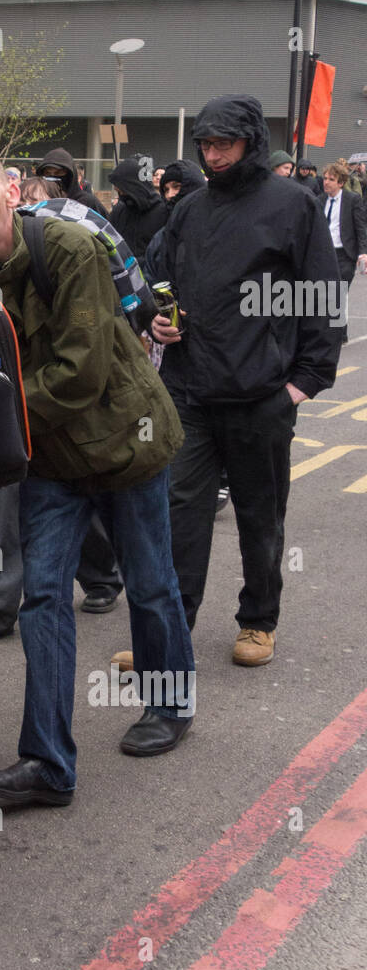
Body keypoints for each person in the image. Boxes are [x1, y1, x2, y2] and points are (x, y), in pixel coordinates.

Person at [0, 149, 195, 808]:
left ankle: (169, 706)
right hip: (51, 458)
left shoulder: (68, 248)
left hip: (123, 445)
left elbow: (81, 373)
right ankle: (49, 763)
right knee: (44, 600)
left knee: (150, 584)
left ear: (13, 192)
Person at [149, 94, 341, 668]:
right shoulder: (189, 208)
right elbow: (161, 279)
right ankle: (171, 634)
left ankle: (258, 621)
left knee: (260, 516)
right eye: (205, 145)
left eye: (223, 143)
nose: (213, 155)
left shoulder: (292, 206)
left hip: (263, 397)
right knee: (181, 517)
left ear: (251, 142)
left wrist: (301, 385)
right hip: (192, 395)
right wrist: (157, 322)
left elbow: (324, 300)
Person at [0, 175, 123, 648]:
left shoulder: (67, 249)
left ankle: (102, 575)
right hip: (15, 404)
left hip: (66, 403)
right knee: (4, 507)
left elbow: (85, 357)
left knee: (75, 496)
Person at [320, 162, 367, 342]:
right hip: (325, 254)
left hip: (344, 254)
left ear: (341, 183)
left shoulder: (352, 200)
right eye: (325, 178)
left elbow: (360, 228)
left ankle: (337, 333)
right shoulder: (319, 200)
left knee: (338, 290)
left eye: (331, 179)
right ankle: (340, 330)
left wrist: (363, 252)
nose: (326, 182)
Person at [108, 156, 168, 266]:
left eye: (122, 191)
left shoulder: (164, 212)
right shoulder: (120, 210)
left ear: (133, 187)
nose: (120, 195)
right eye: (117, 191)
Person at [32, 147, 103, 213]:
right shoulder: (36, 202)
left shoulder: (87, 202)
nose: (52, 177)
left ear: (71, 175)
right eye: (47, 173)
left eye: (58, 173)